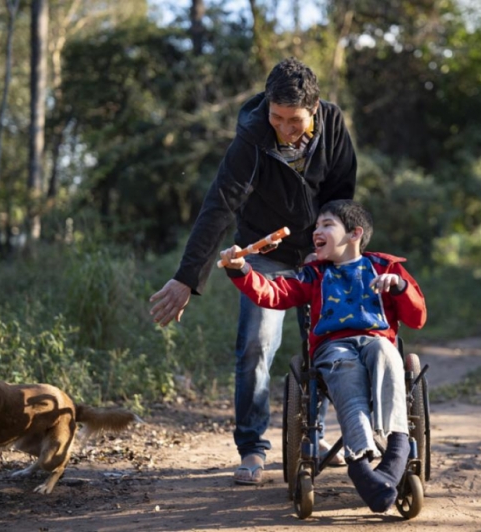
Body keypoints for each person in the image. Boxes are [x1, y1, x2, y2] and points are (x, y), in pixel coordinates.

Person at [149, 57, 357, 485]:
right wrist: (187, 277)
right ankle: (252, 448)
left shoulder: (334, 125)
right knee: (256, 345)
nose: (284, 128)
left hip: (317, 252)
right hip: (265, 252)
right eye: (276, 117)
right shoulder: (252, 137)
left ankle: (312, 435)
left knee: (323, 342)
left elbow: (341, 198)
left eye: (294, 120)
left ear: (314, 109)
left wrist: (327, 249)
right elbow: (219, 205)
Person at [219, 199, 427, 513]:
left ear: (355, 233)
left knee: (386, 352)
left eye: (327, 225)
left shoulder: (385, 268)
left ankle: (395, 454)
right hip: (334, 347)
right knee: (345, 369)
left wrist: (398, 287)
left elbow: (417, 318)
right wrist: (243, 269)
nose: (316, 231)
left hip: (377, 340)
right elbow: (274, 293)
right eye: (316, 226)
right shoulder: (313, 275)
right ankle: (360, 463)